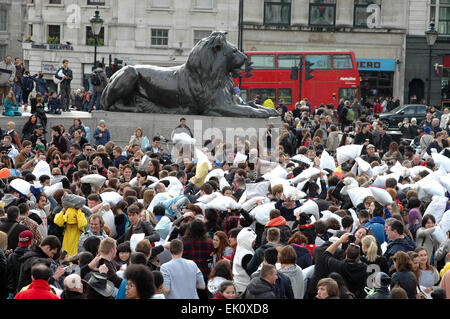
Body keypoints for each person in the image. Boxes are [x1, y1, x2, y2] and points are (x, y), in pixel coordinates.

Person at [322, 233, 368, 298]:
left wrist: (339, 241)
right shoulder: (365, 268)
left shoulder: (338, 265)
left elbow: (326, 254)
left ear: (346, 252)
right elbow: (369, 288)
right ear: (358, 255)